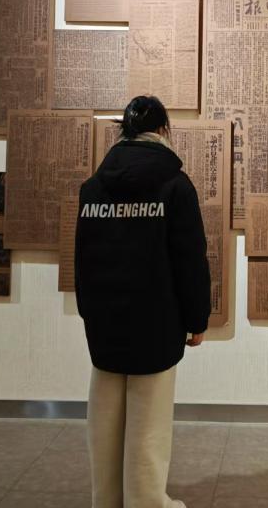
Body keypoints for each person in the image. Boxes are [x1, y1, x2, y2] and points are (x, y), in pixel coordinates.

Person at [75, 95, 211, 508]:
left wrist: (89, 313)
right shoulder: (175, 186)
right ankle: (146, 502)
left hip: (104, 323)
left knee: (104, 422)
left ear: (125, 131)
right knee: (148, 427)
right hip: (156, 321)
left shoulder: (93, 188)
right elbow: (189, 259)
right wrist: (197, 319)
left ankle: (107, 500)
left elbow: (82, 259)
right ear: (164, 130)